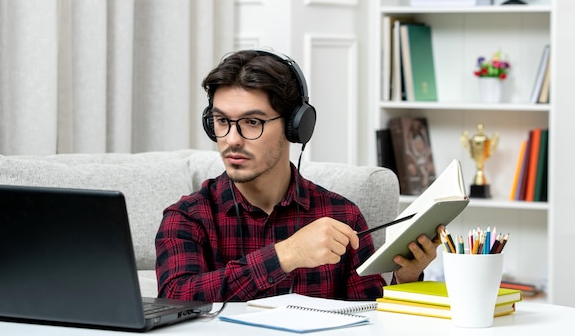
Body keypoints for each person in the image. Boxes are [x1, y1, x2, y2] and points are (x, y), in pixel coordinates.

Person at [155, 49, 441, 302]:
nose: (232, 140)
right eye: (221, 121)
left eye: (252, 122)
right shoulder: (187, 217)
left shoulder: (341, 216)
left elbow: (371, 317)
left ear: (295, 127)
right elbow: (175, 298)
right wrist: (285, 255)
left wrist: (406, 278)